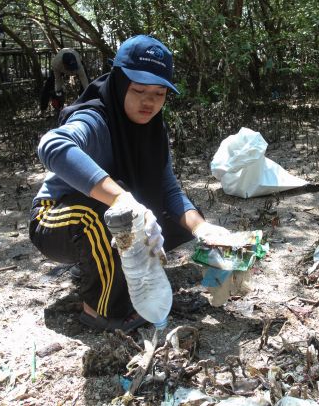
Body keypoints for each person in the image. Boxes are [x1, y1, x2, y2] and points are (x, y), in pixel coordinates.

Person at [29, 34, 231, 332]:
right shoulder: (94, 119)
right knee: (102, 216)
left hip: (108, 214)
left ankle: (117, 265)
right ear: (120, 81)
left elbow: (169, 191)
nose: (149, 102)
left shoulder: (152, 128)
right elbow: (52, 145)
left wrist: (204, 229)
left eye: (159, 93)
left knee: (181, 220)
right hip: (57, 218)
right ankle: (101, 310)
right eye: (138, 90)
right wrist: (122, 198)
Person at [39, 48, 90, 115]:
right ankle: (44, 109)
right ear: (64, 65)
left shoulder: (79, 64)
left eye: (73, 68)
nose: (71, 72)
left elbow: (84, 81)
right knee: (49, 85)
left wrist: (88, 93)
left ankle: (84, 104)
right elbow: (58, 80)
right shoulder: (56, 64)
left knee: (87, 85)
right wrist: (58, 93)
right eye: (70, 69)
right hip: (60, 67)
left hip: (77, 62)